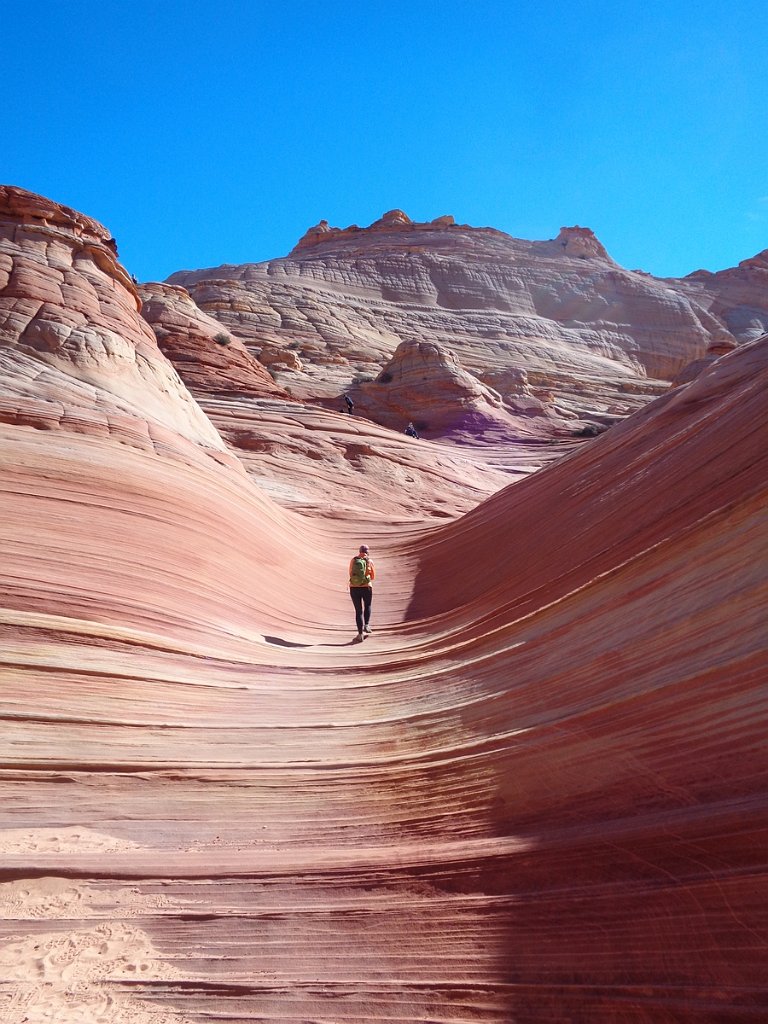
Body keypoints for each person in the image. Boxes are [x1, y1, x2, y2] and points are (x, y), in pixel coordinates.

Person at [348, 544, 375, 641]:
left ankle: (360, 635)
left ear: (359, 551)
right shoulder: (370, 561)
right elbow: (372, 577)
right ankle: (366, 625)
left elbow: (350, 573)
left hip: (354, 587)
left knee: (358, 611)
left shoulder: (353, 560)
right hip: (366, 587)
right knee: (367, 606)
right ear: (368, 552)